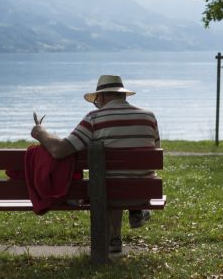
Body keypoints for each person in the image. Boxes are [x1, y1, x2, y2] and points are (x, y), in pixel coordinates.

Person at [30, 74, 160, 254]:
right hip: (142, 194)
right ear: (123, 95)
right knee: (117, 179)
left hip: (106, 194)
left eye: (96, 101)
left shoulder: (94, 118)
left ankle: (113, 237)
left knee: (109, 183)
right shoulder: (149, 117)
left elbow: (59, 150)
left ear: (102, 97)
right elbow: (154, 150)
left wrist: (40, 132)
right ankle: (119, 232)